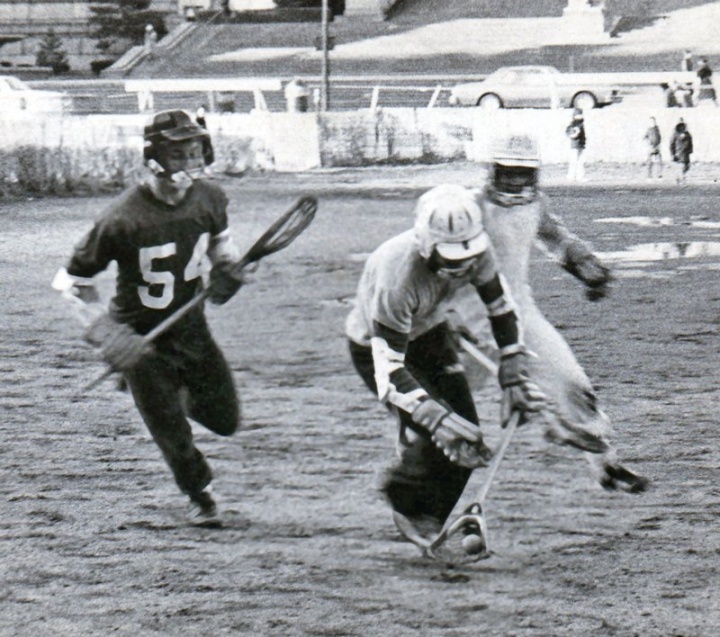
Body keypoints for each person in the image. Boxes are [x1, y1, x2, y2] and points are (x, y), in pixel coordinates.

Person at [51, 110, 247, 527]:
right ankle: (200, 495)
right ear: (154, 158)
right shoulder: (120, 218)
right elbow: (70, 282)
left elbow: (221, 249)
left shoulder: (210, 198)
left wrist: (229, 271)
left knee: (225, 420)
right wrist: (107, 334)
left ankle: (167, 395)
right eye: (178, 155)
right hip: (140, 338)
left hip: (191, 327)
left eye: (195, 153)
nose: (189, 164)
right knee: (171, 429)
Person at [345, 184, 547, 550]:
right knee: (443, 431)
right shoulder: (397, 277)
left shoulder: (478, 253)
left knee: (467, 437)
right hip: (376, 348)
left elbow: (501, 308)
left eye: (467, 258)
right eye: (451, 260)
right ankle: (404, 496)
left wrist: (513, 364)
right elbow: (389, 370)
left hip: (432, 332)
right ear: (425, 245)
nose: (462, 269)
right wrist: (432, 417)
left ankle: (431, 518)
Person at [452, 133, 649, 495]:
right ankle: (419, 494)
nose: (514, 180)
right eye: (507, 171)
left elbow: (555, 237)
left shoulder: (535, 204)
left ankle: (606, 465)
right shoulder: (469, 208)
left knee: (573, 385)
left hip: (518, 315)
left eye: (522, 173)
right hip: (465, 322)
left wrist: (586, 265)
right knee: (442, 410)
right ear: (493, 170)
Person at [565, 108, 587, 182]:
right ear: (574, 116)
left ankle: (578, 176)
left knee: (580, 162)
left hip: (580, 145)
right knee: (574, 161)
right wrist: (574, 134)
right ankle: (572, 177)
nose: (580, 116)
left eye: (580, 114)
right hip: (575, 145)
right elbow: (569, 133)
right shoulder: (574, 124)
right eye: (578, 114)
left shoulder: (580, 124)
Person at [670, 119, 694, 184]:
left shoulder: (687, 134)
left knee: (687, 166)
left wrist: (690, 150)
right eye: (681, 125)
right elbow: (672, 144)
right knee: (681, 165)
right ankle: (681, 178)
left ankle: (680, 176)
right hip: (679, 152)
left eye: (683, 125)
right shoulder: (675, 134)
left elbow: (690, 142)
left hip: (686, 153)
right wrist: (673, 153)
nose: (682, 127)